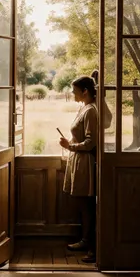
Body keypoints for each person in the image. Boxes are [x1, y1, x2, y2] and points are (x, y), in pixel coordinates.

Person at [59, 75, 98, 263]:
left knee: (87, 206)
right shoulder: (83, 108)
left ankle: (92, 247)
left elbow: (91, 143)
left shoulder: (91, 111)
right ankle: (85, 240)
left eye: (75, 91)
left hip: (85, 163)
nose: (72, 94)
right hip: (78, 160)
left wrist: (70, 146)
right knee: (83, 206)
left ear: (85, 91)